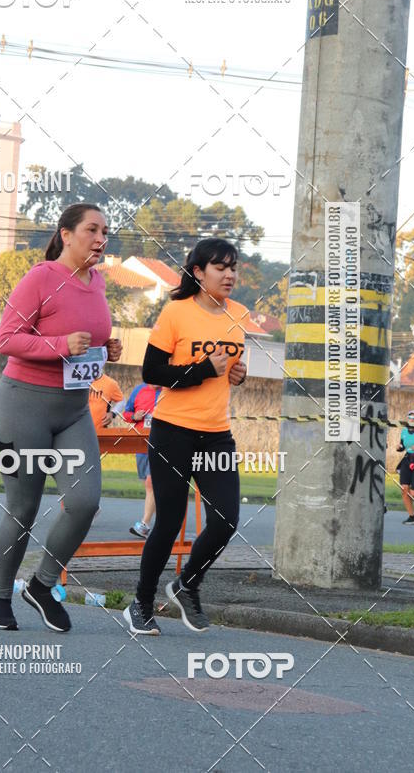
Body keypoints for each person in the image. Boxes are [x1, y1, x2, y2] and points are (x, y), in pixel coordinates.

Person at [0, 203, 122, 632]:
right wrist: (61, 344)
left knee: (84, 503)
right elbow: (7, 338)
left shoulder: (97, 282)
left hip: (74, 410)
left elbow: (87, 347)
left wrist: (107, 351)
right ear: (66, 234)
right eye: (92, 230)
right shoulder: (41, 278)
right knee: (23, 507)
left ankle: (42, 586)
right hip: (23, 405)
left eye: (105, 232)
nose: (100, 239)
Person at [124, 237, 247, 636]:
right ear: (198, 272)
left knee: (226, 519)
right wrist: (202, 370)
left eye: (233, 267)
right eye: (220, 267)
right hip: (173, 431)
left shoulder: (240, 315)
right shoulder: (176, 313)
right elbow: (151, 372)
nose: (229, 274)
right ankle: (140, 604)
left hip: (216, 435)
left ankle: (186, 584)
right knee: (170, 520)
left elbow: (227, 371)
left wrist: (236, 375)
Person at [123, 382, 160, 538]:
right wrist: (134, 417)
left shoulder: (170, 391)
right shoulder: (139, 389)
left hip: (161, 442)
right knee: (151, 485)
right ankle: (161, 522)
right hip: (141, 444)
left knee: (151, 482)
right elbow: (126, 414)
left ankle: (144, 525)